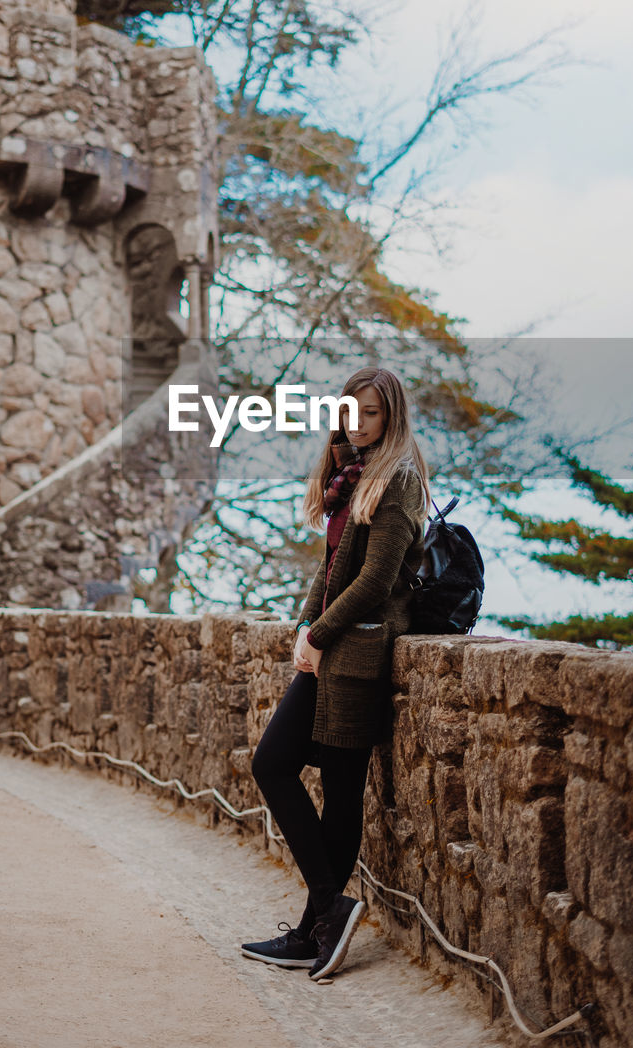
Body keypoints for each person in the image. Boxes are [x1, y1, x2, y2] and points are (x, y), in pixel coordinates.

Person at [241, 367, 429, 981]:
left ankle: (321, 918)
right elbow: (332, 568)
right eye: (350, 411)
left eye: (370, 413)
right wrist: (303, 627)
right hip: (330, 648)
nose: (357, 423)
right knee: (279, 766)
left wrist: (320, 635)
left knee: (331, 785)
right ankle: (321, 920)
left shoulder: (396, 479)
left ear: (391, 416)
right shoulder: (349, 477)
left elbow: (376, 580)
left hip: (362, 652)